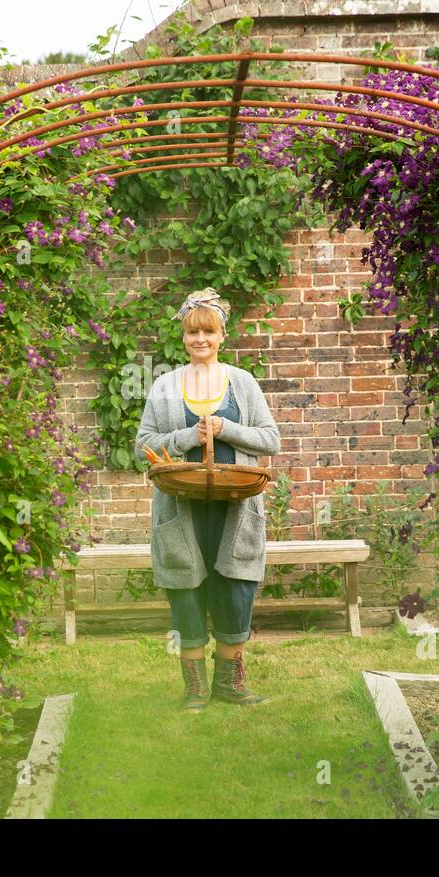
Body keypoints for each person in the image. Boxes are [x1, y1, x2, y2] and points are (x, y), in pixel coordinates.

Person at [134, 287, 281, 711]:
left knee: (235, 587)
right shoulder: (164, 385)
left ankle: (229, 685)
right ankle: (194, 689)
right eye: (193, 333)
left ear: (221, 336)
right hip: (181, 510)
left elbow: (270, 439)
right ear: (183, 337)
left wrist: (223, 427)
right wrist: (187, 436)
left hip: (236, 507)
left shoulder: (244, 383)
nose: (201, 340)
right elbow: (143, 443)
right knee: (185, 588)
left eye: (208, 332)